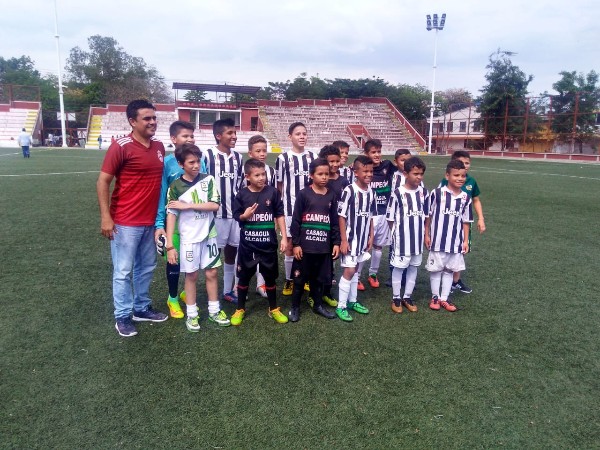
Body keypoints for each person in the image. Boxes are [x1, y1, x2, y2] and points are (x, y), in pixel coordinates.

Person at [96, 99, 168, 337]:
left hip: (150, 222)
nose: (152, 122)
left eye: (154, 118)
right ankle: (123, 315)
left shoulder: (159, 146)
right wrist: (106, 217)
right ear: (132, 121)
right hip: (125, 221)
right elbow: (103, 181)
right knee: (123, 271)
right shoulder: (121, 146)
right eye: (147, 118)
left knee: (146, 267)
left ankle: (141, 308)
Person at [165, 143, 230, 331]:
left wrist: (188, 206)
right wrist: (170, 245)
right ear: (180, 164)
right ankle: (192, 314)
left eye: (197, 161)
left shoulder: (208, 180)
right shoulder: (175, 186)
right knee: (191, 275)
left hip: (209, 235)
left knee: (212, 273)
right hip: (188, 239)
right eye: (191, 162)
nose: (196, 165)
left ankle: (214, 311)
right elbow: (171, 215)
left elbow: (214, 205)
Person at [231, 159, 289, 325]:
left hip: (268, 245)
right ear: (247, 177)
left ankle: (273, 308)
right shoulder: (242, 195)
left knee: (270, 278)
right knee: (243, 278)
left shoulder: (273, 192)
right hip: (248, 245)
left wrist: (284, 237)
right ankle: (240, 309)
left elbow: (279, 214)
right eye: (257, 175)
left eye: (263, 174)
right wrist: (245, 216)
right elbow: (237, 216)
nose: (261, 178)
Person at [154, 121, 201, 319]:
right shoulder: (167, 163)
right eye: (185, 136)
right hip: (173, 221)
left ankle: (184, 292)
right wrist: (159, 223)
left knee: (192, 259)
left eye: (192, 135)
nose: (190, 139)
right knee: (173, 258)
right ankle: (172, 298)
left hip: (195, 220)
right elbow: (162, 194)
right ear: (174, 139)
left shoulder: (199, 160)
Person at [289, 158, 341, 322]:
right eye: (320, 174)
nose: (324, 177)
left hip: (323, 247)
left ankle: (318, 305)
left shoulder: (331, 195)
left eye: (326, 174)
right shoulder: (304, 194)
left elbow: (334, 222)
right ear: (311, 175)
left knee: (319, 280)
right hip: (305, 247)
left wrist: (336, 243)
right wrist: (296, 244)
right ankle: (295, 308)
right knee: (299, 280)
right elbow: (296, 220)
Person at [201, 118, 244, 304]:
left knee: (232, 251)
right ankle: (209, 292)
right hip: (215, 215)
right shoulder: (207, 155)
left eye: (235, 133)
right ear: (219, 136)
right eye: (230, 133)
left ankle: (227, 290)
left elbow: (240, 185)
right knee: (213, 255)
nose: (234, 136)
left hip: (235, 214)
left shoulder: (238, 158)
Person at [425, 159, 473, 312]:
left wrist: (465, 241)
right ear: (447, 176)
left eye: (463, 176)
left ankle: (444, 298)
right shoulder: (437, 193)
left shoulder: (466, 198)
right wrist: (427, 234)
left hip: (455, 242)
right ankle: (435, 296)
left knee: (449, 270)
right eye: (456, 175)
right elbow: (428, 215)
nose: (460, 178)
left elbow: (466, 221)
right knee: (436, 269)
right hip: (437, 240)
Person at [276, 122, 317, 296]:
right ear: (290, 137)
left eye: (304, 134)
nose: (302, 136)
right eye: (298, 134)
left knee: (308, 244)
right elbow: (279, 185)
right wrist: (279, 211)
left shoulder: (313, 157)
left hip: (309, 209)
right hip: (290, 208)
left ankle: (305, 277)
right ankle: (289, 280)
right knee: (290, 245)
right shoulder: (283, 158)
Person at [439, 150, 486, 294]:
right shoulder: (446, 181)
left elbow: (476, 200)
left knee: (461, 251)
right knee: (445, 251)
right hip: (448, 223)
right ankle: (444, 280)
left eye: (467, 163)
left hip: (464, 223)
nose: (464, 166)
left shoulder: (471, 181)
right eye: (461, 163)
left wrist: (481, 218)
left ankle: (455, 281)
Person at [386, 157, 429, 313]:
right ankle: (396, 297)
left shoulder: (424, 192)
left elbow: (427, 216)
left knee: (413, 267)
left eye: (421, 174)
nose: (419, 177)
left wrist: (426, 234)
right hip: (402, 240)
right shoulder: (398, 193)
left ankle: (407, 296)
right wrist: (397, 234)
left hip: (417, 239)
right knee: (398, 268)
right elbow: (390, 218)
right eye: (415, 173)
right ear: (405, 174)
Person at [336, 155, 376, 322]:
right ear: (356, 172)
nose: (369, 174)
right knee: (349, 271)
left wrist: (371, 236)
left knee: (356, 270)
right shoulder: (349, 191)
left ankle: (352, 301)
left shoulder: (371, 191)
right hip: (350, 239)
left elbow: (371, 216)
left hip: (362, 239)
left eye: (371, 171)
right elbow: (341, 216)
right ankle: (341, 306)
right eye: (365, 171)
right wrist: (344, 240)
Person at [310, 144, 349, 309]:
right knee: (317, 262)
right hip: (320, 224)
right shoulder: (319, 179)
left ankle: (326, 292)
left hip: (336, 224)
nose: (334, 165)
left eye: (337, 161)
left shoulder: (344, 181)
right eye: (330, 161)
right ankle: (313, 294)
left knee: (331, 261)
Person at [360, 139, 397, 289]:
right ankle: (357, 276)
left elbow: (402, 168)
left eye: (379, 152)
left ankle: (373, 274)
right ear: (366, 154)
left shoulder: (387, 165)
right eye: (373, 152)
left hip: (384, 213)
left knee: (378, 246)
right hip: (368, 213)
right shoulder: (363, 168)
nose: (377, 155)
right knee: (364, 245)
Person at [242, 134, 276, 298]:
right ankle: (239, 285)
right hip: (248, 220)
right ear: (250, 153)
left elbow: (274, 195)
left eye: (264, 150)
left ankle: (261, 284)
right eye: (258, 151)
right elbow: (241, 194)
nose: (262, 154)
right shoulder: (246, 171)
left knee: (264, 252)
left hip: (265, 219)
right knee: (244, 252)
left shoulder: (271, 171)